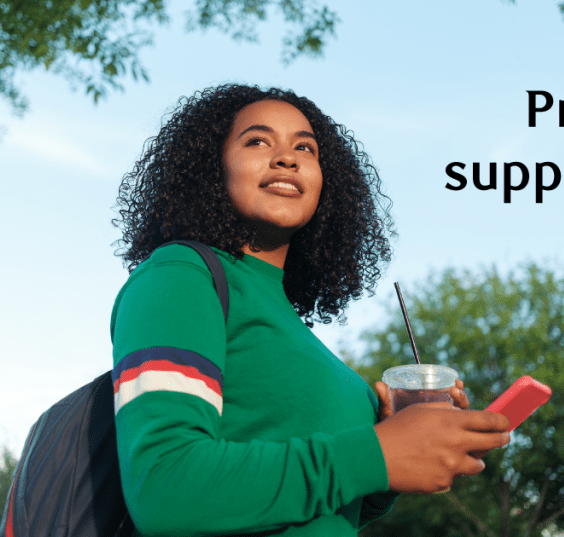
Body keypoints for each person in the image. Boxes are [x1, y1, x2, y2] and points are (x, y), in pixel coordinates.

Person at [110, 84, 511, 536]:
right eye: (257, 141)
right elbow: (166, 490)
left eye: (306, 147)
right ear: (210, 167)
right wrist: (375, 454)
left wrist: (398, 452)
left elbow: (320, 510)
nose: (287, 158)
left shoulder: (290, 326)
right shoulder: (181, 275)